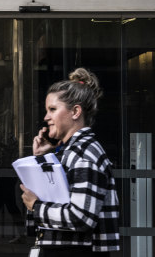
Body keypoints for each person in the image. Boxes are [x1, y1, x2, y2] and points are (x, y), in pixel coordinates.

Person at [20, 68, 120, 256]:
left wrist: (36, 206)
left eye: (52, 109)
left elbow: (81, 218)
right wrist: (42, 159)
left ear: (75, 111)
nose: (46, 117)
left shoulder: (84, 154)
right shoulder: (71, 152)